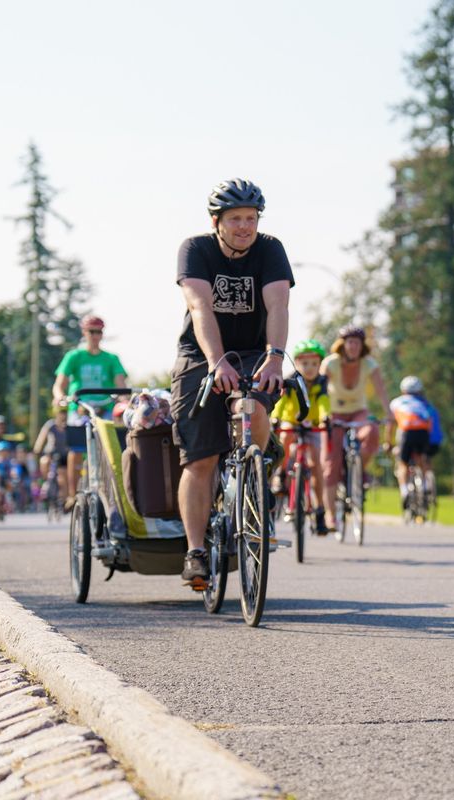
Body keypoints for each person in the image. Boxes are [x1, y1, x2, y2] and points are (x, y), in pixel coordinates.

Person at [170, 178, 293, 588]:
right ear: (216, 221)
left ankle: (257, 474)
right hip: (200, 355)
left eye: (251, 218)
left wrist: (275, 358)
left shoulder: (270, 249)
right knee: (200, 458)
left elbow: (278, 303)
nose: (245, 226)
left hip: (256, 352)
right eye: (235, 218)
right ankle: (196, 551)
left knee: (253, 406)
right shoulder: (196, 249)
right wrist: (215, 361)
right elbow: (199, 305)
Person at [319, 324, 392, 528]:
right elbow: (320, 389)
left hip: (359, 411)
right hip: (334, 414)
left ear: (362, 346)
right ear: (342, 344)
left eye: (357, 343)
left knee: (372, 432)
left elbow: (381, 389)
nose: (353, 346)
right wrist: (321, 415)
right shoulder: (330, 363)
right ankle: (330, 515)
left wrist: (389, 413)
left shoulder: (368, 363)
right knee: (331, 466)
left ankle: (358, 469)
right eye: (349, 342)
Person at [52, 315, 129, 504]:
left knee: (112, 448)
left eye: (99, 332)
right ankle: (72, 494)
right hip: (80, 408)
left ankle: (113, 492)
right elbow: (59, 384)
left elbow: (121, 385)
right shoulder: (74, 356)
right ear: (84, 333)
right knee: (76, 450)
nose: (95, 336)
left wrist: (125, 400)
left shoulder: (111, 359)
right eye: (91, 332)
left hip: (105, 409)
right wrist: (59, 396)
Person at [270, 339, 331, 534]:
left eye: (314, 363)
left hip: (312, 425)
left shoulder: (322, 383)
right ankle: (280, 474)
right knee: (285, 438)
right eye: (304, 363)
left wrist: (325, 418)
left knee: (316, 466)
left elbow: (323, 403)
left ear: (320, 365)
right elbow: (280, 403)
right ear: (296, 364)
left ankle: (319, 510)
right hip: (292, 422)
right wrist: (275, 417)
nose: (310, 368)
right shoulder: (290, 381)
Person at [386, 376, 438, 510]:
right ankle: (425, 486)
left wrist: (388, 442)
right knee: (421, 459)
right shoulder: (425, 403)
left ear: (403, 390)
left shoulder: (396, 402)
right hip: (423, 433)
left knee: (402, 463)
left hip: (406, 433)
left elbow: (390, 424)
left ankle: (404, 491)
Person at [32, 408, 70, 502]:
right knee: (44, 461)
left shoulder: (70, 426)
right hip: (51, 454)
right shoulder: (50, 425)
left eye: (64, 413)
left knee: (63, 475)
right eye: (61, 413)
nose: (63, 416)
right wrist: (37, 449)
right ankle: (46, 482)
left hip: (64, 456)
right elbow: (41, 438)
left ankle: (65, 500)